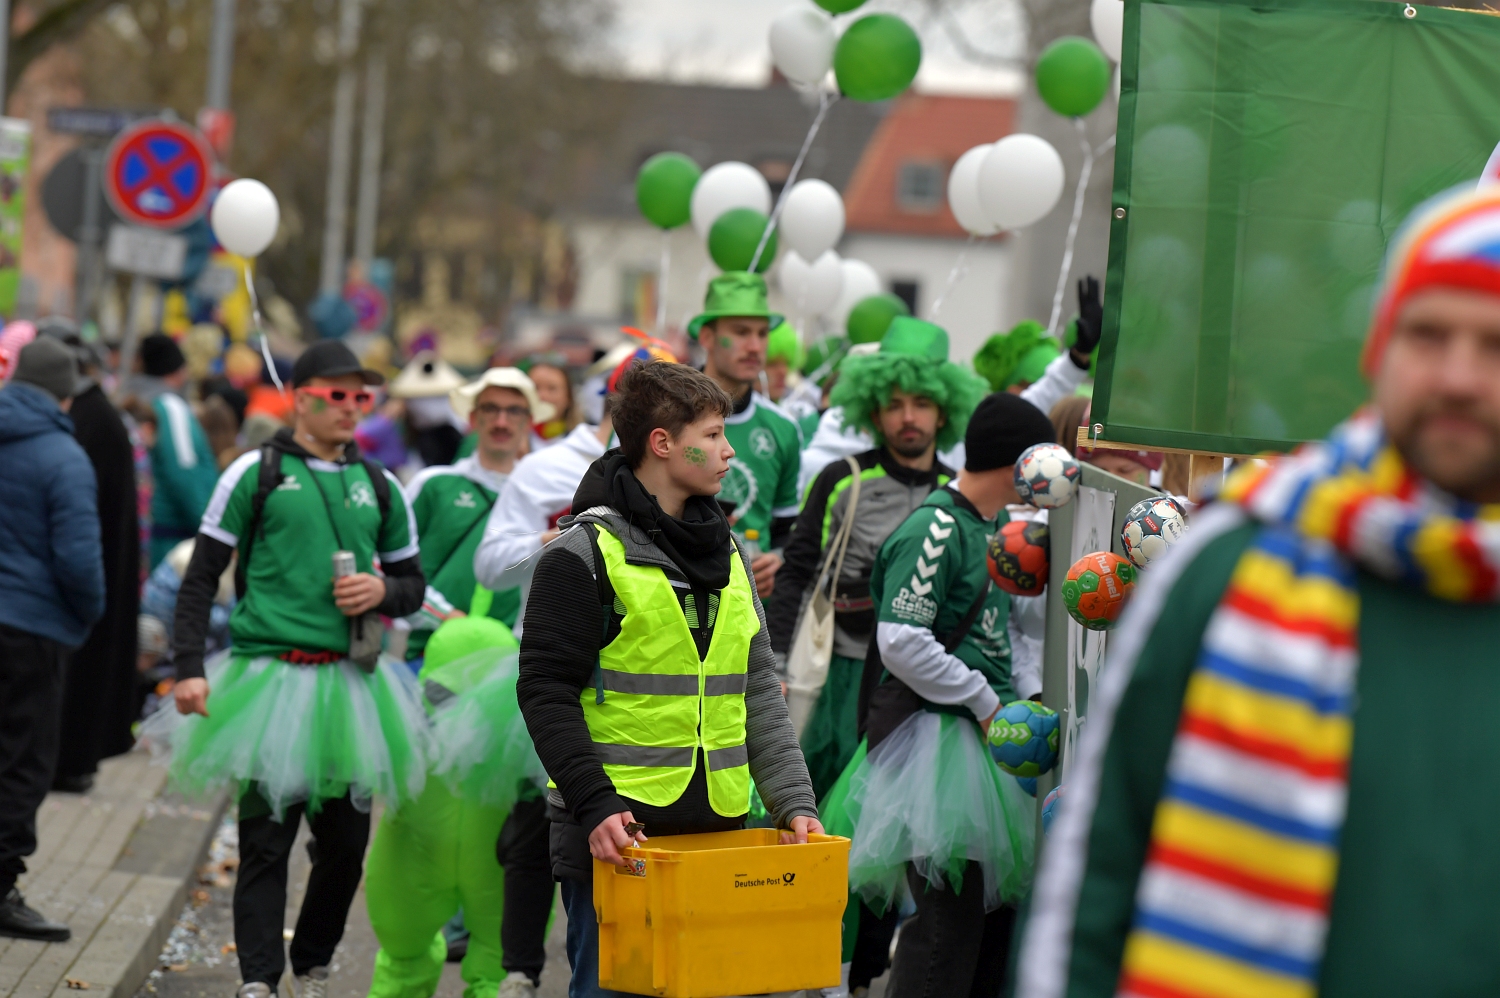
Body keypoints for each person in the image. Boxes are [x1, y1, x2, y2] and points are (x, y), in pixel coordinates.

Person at [1016, 184, 1500, 998]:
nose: (1458, 376)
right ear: (1377, 349)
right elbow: (1090, 887)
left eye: (1494, 344)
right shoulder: (1226, 566)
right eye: (1428, 334)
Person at [515, 359, 821, 998]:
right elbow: (544, 691)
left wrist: (794, 803)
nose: (728, 451)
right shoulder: (582, 553)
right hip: (618, 836)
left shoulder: (730, 550)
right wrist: (596, 804)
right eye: (712, 435)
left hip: (717, 832)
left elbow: (756, 688)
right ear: (662, 443)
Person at [160, 340, 430, 998]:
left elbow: (413, 585)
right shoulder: (253, 472)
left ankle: (311, 964)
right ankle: (257, 980)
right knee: (265, 841)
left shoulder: (381, 485)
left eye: (361, 395)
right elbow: (201, 577)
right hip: (268, 682)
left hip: (353, 688)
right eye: (337, 394)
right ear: (301, 398)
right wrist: (189, 666)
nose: (351, 407)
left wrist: (381, 591)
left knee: (343, 849)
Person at [835, 391, 1056, 997]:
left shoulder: (997, 528)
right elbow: (901, 640)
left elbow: (1006, 631)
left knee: (992, 927)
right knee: (944, 930)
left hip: (990, 742)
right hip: (938, 748)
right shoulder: (935, 527)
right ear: (1014, 463)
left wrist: (1026, 695)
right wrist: (985, 700)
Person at [798, 279, 1104, 498]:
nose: (908, 417)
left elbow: (1022, 412)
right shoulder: (839, 461)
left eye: (922, 403)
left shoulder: (955, 465)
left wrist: (1076, 359)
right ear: (874, 411)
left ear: (943, 411)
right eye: (894, 404)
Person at [0, 338, 104, 942]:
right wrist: (88, 616)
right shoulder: (63, 456)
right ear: (65, 394)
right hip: (31, 629)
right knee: (23, 758)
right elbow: (79, 559)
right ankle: (0, 886)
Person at [473, 338, 673, 596]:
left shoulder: (676, 475)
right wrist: (559, 538)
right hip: (551, 620)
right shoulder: (544, 466)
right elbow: (488, 567)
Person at [39, 325, 140, 794]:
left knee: (80, 676)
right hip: (90, 575)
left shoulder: (88, 420)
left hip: (80, 581)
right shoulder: (98, 415)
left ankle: (71, 759)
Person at [403, 368, 554, 660]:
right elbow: (392, 564)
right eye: (491, 409)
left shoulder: (545, 499)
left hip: (511, 662)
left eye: (514, 411)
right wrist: (444, 616)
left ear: (529, 422)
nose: (501, 421)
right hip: (430, 654)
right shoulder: (434, 485)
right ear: (473, 419)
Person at [689, 272, 805, 597]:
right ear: (708, 337)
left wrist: (777, 559)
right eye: (741, 332)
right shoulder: (663, 414)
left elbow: (786, 528)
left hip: (752, 611)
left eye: (762, 333)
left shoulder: (784, 428)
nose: (755, 346)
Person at [134, 333, 220, 568]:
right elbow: (184, 473)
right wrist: (212, 532)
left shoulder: (133, 398)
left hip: (145, 533)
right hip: (169, 542)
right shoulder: (171, 408)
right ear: (178, 371)